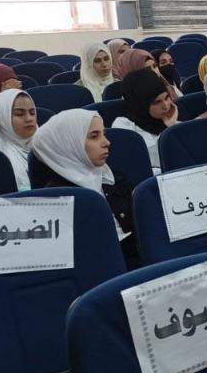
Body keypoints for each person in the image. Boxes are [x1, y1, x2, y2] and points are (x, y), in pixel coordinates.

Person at [30, 110, 138, 268]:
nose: (107, 142)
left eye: (104, 134)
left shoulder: (115, 178)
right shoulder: (55, 201)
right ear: (68, 145)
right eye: (94, 136)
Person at [113, 68, 178, 172]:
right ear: (140, 103)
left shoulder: (172, 122)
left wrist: (172, 127)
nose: (165, 106)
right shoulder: (123, 126)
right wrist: (168, 131)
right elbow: (139, 165)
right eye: (157, 102)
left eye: (167, 98)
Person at [0, 89, 37, 190]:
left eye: (32, 113)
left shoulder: (48, 146)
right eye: (19, 114)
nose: (29, 119)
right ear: (2, 117)